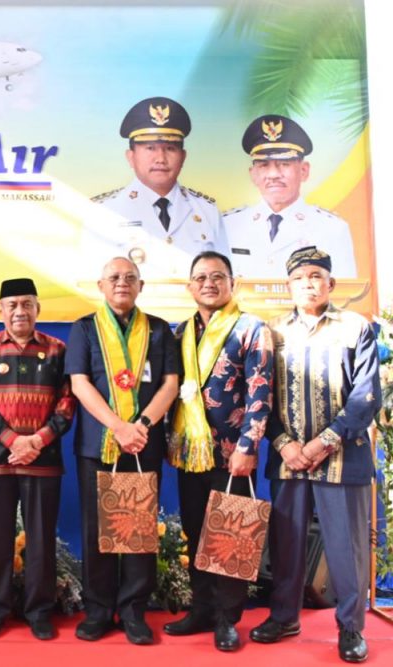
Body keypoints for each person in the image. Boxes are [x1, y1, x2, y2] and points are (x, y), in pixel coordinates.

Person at [250, 246, 379, 663]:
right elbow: (260, 395)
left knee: (346, 548)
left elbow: (365, 397)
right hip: (288, 459)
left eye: (316, 276)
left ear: (331, 283)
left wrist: (324, 441)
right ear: (288, 285)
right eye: (299, 277)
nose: (308, 283)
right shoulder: (272, 331)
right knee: (285, 545)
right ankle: (284, 616)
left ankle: (351, 627)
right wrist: (284, 443)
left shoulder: (355, 328)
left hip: (341, 458)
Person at [65, 257, 179, 645]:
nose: (121, 283)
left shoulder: (159, 330)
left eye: (130, 277)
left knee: (138, 532)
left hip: (143, 443)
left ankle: (133, 611)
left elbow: (170, 384)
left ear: (141, 286)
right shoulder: (84, 328)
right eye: (113, 277)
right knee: (97, 530)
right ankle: (97, 611)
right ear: (100, 285)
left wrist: (141, 426)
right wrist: (118, 427)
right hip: (98, 444)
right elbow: (79, 383)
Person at [165, 251, 273, 651]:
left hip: (232, 453)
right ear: (190, 286)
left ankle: (228, 619)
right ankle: (202, 609)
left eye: (217, 277)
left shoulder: (251, 329)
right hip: (192, 452)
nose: (208, 284)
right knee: (196, 532)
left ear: (232, 282)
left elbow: (260, 391)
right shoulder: (181, 332)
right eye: (201, 278)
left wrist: (248, 446)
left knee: (231, 536)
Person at [0, 278, 75, 640]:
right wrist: (15, 441)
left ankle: (39, 611)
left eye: (27, 304)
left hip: (44, 458)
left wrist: (37, 440)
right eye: (11, 305)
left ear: (37, 309)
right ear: (0, 310)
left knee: (41, 540)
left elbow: (67, 402)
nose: (19, 311)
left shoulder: (57, 349)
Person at [90, 96, 226, 280]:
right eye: (150, 148)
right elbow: (92, 283)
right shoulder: (104, 212)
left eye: (170, 148)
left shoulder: (207, 212)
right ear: (130, 156)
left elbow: (225, 281)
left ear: (183, 156)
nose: (161, 159)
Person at [224, 116, 358, 278]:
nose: (273, 174)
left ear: (304, 171)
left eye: (284, 164)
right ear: (253, 174)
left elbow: (343, 291)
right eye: (264, 165)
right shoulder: (229, 226)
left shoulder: (332, 229)